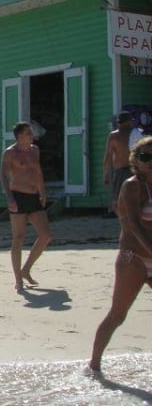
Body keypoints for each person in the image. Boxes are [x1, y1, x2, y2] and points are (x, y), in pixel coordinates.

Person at [90, 136, 152, 373]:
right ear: (136, 160)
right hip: (133, 258)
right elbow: (133, 226)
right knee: (118, 315)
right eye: (145, 157)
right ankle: (94, 365)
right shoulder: (132, 185)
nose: (150, 161)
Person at [1, 121, 51, 291]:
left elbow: (38, 172)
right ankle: (18, 279)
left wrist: (42, 192)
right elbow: (3, 176)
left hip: (33, 196)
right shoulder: (10, 153)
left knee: (45, 236)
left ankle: (26, 269)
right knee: (18, 238)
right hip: (18, 196)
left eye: (31, 133)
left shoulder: (34, 150)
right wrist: (9, 198)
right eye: (28, 133)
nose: (31, 136)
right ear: (20, 136)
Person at [103, 111, 135, 216]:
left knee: (117, 198)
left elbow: (108, 156)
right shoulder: (136, 133)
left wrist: (106, 174)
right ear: (129, 122)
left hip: (120, 170)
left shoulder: (114, 136)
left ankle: (122, 217)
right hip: (135, 169)